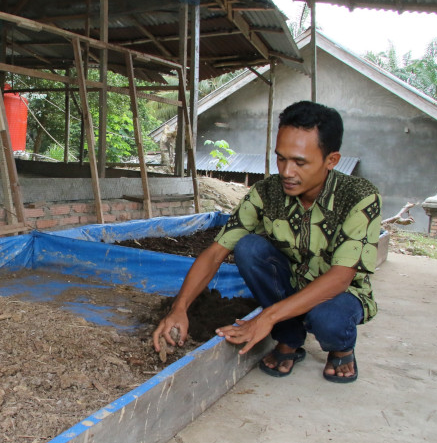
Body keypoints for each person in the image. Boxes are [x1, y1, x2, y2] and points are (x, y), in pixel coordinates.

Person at [152, 101, 381, 383]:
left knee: (329, 319)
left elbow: (340, 278)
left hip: (341, 294)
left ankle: (341, 347)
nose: (286, 171)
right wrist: (179, 308)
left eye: (299, 162)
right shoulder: (267, 192)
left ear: (331, 160)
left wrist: (265, 318)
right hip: (291, 284)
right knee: (249, 247)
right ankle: (290, 338)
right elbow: (215, 253)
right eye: (281, 158)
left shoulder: (358, 196)